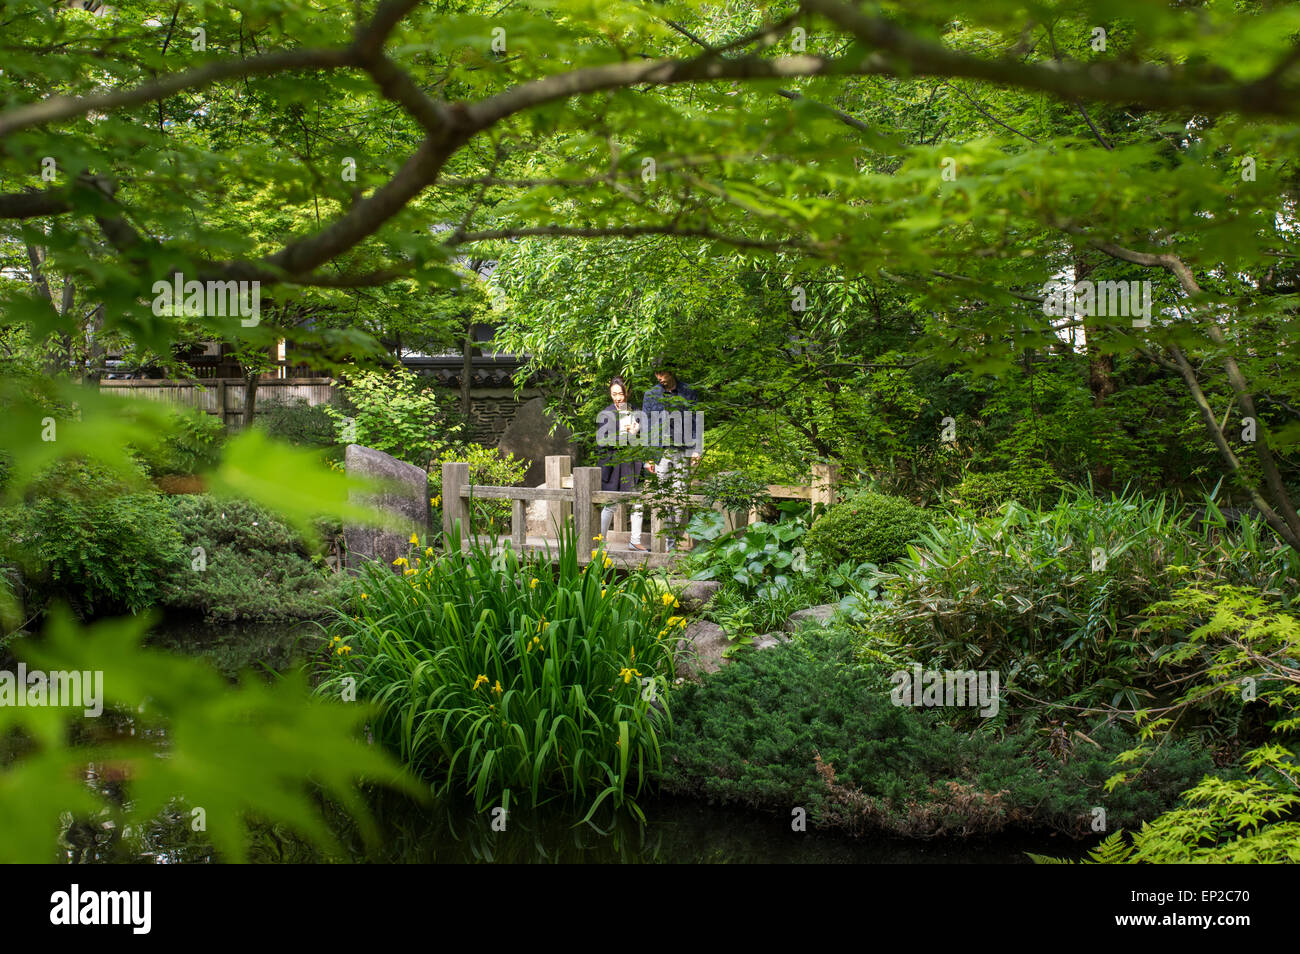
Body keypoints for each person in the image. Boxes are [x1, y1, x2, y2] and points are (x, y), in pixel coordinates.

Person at [642, 363, 701, 550]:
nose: (659, 377)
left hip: (683, 450)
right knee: (664, 497)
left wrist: (697, 449)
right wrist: (648, 456)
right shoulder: (651, 394)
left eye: (663, 373)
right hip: (661, 452)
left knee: (680, 497)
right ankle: (669, 543)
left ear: (672, 370)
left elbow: (696, 420)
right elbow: (646, 426)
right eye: (657, 373)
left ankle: (672, 540)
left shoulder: (688, 392)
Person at [596, 376, 647, 550]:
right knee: (611, 504)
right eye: (614, 394)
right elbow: (603, 441)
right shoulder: (606, 413)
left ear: (627, 393)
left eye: (620, 394)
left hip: (632, 463)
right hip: (614, 464)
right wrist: (625, 435)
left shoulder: (636, 411)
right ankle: (599, 539)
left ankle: (635, 540)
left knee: (638, 501)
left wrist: (637, 431)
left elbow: (642, 437)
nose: (618, 398)